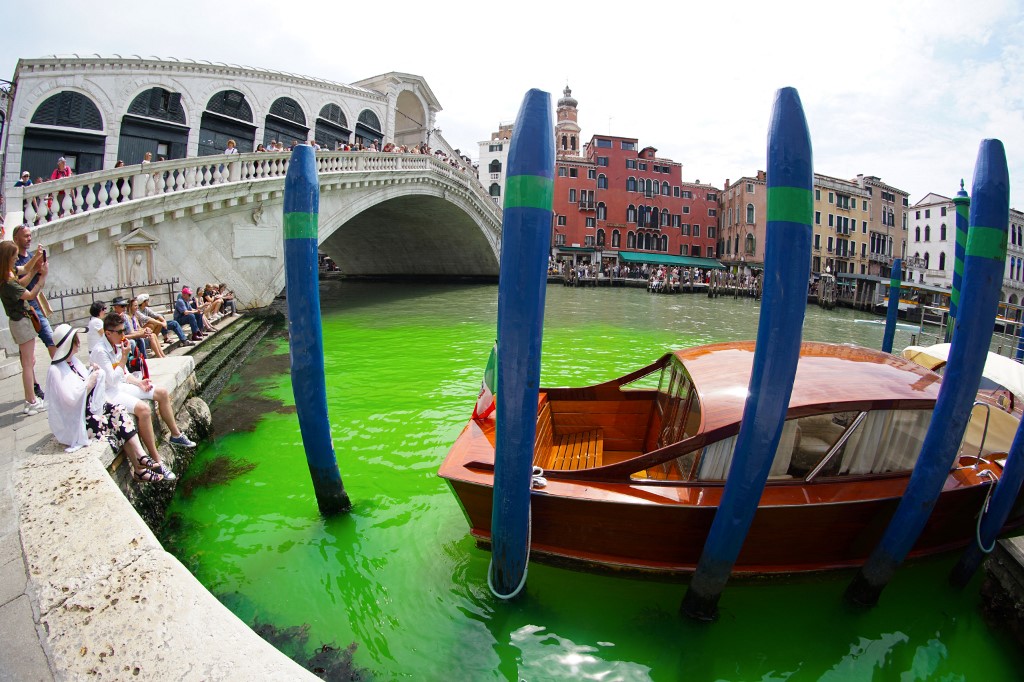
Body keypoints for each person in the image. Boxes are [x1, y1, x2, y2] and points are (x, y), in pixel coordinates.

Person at [45, 324, 164, 482]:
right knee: (116, 422)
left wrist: (91, 373)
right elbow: (70, 399)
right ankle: (140, 466)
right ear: (68, 344)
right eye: (75, 341)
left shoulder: (73, 362)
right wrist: (90, 381)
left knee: (119, 411)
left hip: (88, 409)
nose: (79, 344)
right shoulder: (55, 370)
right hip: (76, 420)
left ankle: (140, 459)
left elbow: (81, 382)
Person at [91, 312, 197, 479]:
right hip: (108, 392)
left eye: (124, 330)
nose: (123, 335)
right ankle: (157, 462)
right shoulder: (100, 351)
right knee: (143, 410)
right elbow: (111, 380)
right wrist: (125, 356)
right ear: (108, 333)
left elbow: (125, 374)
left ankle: (176, 435)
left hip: (121, 386)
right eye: (119, 332)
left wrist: (139, 383)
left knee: (161, 392)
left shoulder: (116, 344)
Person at [0, 240, 48, 415]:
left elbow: (26, 270)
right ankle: (31, 401)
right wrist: (42, 278)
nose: (16, 259)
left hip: (20, 321)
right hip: (21, 321)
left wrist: (35, 261)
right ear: (8, 258)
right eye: (14, 256)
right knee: (28, 364)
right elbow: (29, 294)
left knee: (30, 361)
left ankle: (31, 399)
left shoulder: (9, 273)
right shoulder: (7, 282)